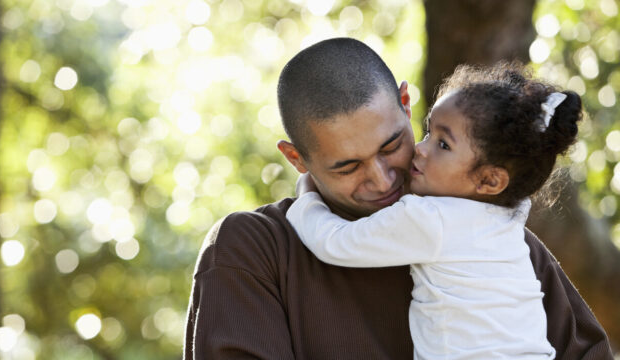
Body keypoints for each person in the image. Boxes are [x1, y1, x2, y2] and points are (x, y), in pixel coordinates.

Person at [183, 38, 613, 359]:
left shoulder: (499, 241)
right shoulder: (254, 251)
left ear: (407, 105)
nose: (383, 179)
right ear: (297, 159)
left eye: (391, 147)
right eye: (347, 167)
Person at [286, 63, 578, 359]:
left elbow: (335, 242)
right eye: (428, 132)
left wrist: (307, 195)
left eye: (443, 144)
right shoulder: (509, 221)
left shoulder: (428, 218)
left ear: (489, 180)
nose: (422, 149)